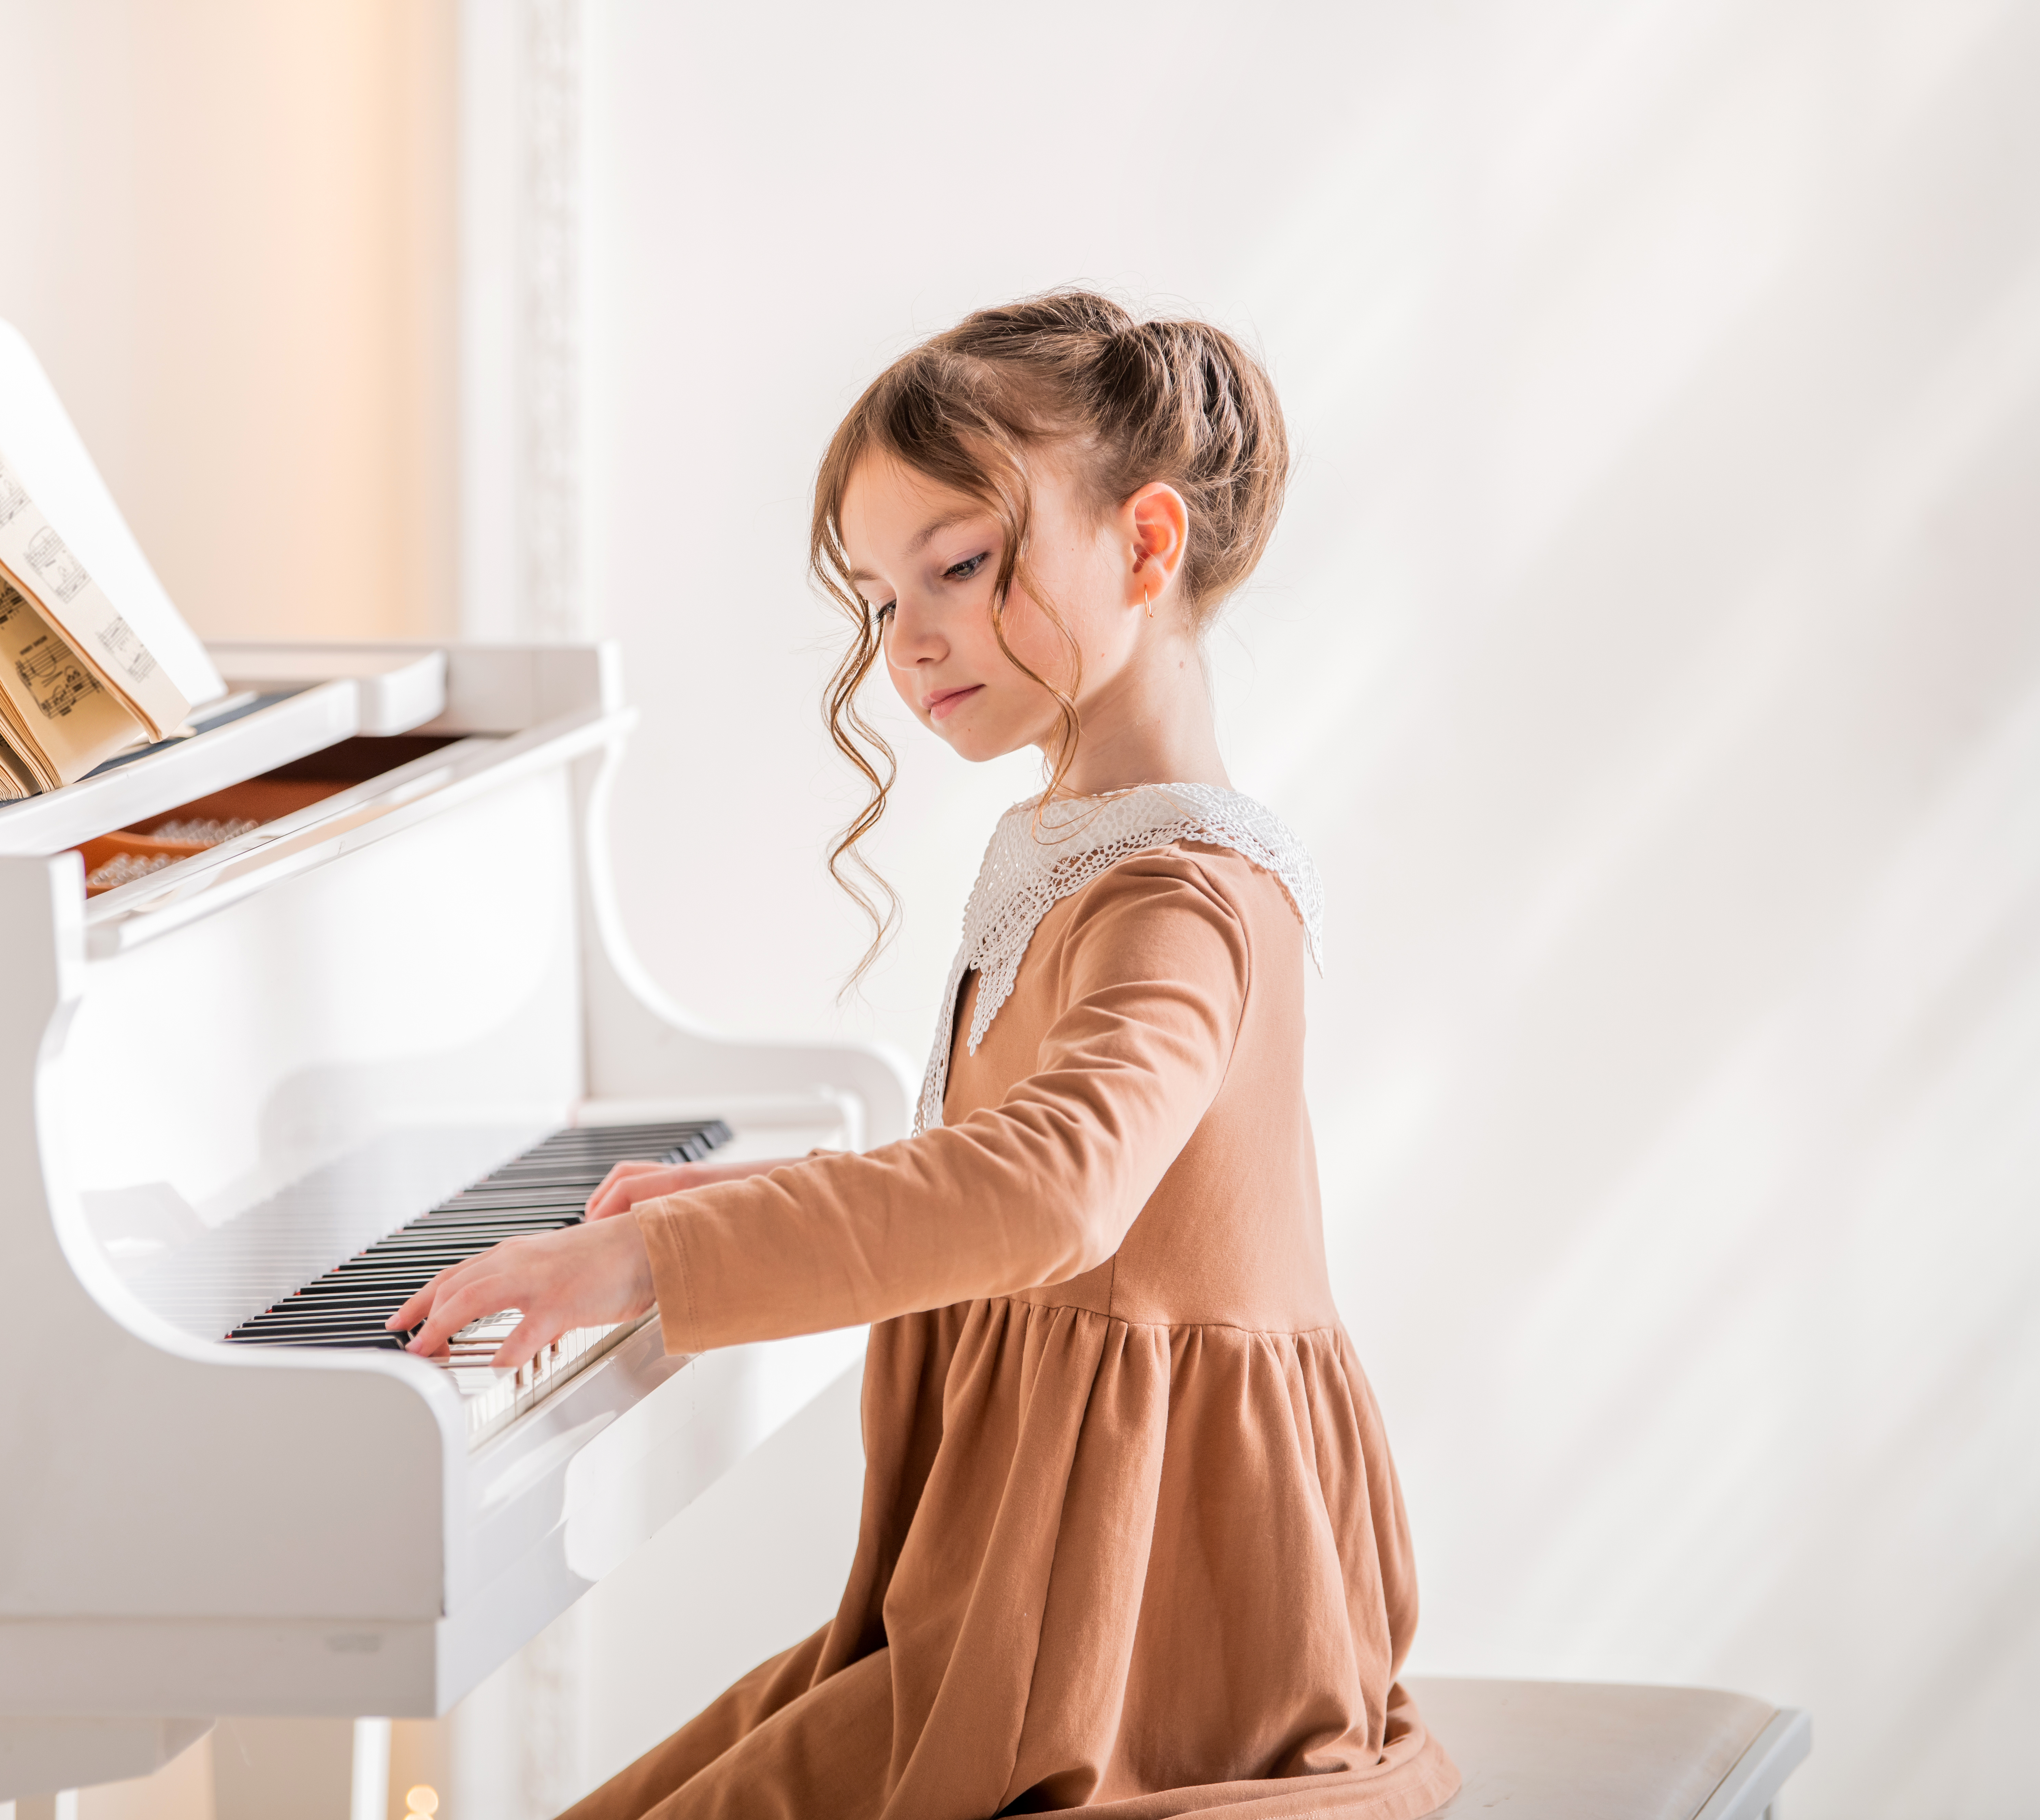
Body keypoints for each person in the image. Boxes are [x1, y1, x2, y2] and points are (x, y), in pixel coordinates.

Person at [391, 291, 1460, 1820]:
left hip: (1145, 1624)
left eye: (956, 567)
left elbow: (1053, 1196)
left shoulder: (1183, 894)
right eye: (879, 598)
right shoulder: (1082, 841)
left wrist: (655, 1262)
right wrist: (784, 1193)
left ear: (1146, 548)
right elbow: (1034, 1192)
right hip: (1024, 1569)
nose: (909, 641)